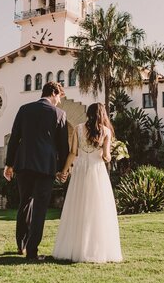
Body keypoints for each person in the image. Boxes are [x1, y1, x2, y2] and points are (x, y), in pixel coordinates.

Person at [3, 81, 69, 261]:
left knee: (24, 203)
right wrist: (63, 169)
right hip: (46, 166)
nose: (59, 102)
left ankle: (21, 245)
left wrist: (8, 164)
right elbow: (63, 146)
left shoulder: (24, 109)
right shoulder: (59, 114)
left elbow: (14, 137)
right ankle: (32, 252)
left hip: (23, 164)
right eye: (60, 97)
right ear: (54, 92)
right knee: (40, 208)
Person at [52, 102, 123, 263]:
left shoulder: (77, 128)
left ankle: (74, 248)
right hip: (97, 171)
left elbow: (72, 153)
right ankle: (94, 249)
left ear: (89, 114)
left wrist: (64, 171)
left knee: (77, 206)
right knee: (97, 208)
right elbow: (106, 157)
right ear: (103, 115)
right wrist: (112, 153)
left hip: (80, 170)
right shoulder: (106, 132)